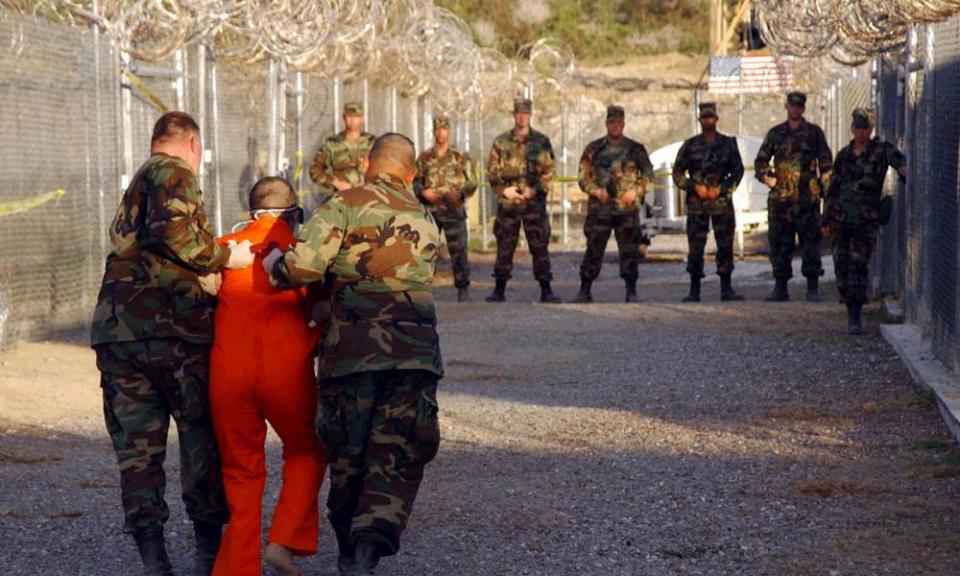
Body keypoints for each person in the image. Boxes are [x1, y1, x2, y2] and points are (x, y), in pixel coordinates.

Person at [264, 133, 443, 576]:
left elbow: (303, 266)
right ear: (412, 173)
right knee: (396, 454)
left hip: (353, 355)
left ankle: (350, 551)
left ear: (367, 164)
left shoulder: (343, 205)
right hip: (413, 355)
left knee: (349, 453)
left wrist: (274, 267)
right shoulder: (426, 217)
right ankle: (365, 554)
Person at [90, 111, 255, 576]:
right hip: (174, 331)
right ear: (193, 143)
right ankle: (207, 552)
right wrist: (226, 258)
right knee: (201, 439)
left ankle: (154, 558)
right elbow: (175, 233)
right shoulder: (173, 171)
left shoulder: (140, 180)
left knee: (138, 452)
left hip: (120, 332)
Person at [209, 177, 326, 576]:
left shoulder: (224, 249)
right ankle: (284, 540)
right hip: (286, 373)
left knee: (241, 470)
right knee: (306, 449)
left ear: (250, 214)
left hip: (228, 374)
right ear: (294, 214)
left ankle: (237, 567)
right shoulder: (301, 254)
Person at [821, 108, 907, 334]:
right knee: (841, 267)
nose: (862, 132)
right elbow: (833, 189)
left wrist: (903, 168)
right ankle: (848, 302)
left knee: (858, 266)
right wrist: (826, 218)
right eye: (858, 128)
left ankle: (855, 316)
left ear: (871, 129)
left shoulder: (880, 150)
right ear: (852, 129)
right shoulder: (843, 155)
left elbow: (898, 160)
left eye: (866, 128)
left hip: (865, 221)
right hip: (841, 220)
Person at [754, 91, 833, 302]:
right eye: (792, 105)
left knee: (811, 243)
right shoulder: (775, 133)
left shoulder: (814, 133)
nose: (795, 109)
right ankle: (780, 287)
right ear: (786, 106)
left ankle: (813, 287)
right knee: (780, 243)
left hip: (807, 198)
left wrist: (825, 191)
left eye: (799, 106)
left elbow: (826, 164)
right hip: (781, 199)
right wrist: (766, 177)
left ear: (803, 109)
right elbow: (760, 162)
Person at [572, 104, 654, 303]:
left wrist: (635, 191)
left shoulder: (636, 149)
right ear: (606, 124)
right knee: (593, 248)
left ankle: (631, 291)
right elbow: (583, 178)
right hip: (600, 210)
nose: (615, 126)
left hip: (626, 210)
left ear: (623, 124)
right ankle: (585, 289)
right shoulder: (593, 149)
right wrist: (596, 191)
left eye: (618, 122)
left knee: (629, 250)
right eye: (611, 122)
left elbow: (649, 177)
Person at [485, 97, 561, 303]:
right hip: (509, 204)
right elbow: (493, 173)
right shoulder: (501, 142)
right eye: (519, 113)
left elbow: (549, 171)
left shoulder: (541, 142)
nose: (522, 117)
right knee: (505, 246)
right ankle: (499, 289)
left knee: (539, 246)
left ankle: (546, 288)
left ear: (530, 115)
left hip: (533, 204)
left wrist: (534, 190)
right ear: (514, 115)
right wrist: (503, 190)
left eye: (525, 113)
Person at [672, 102, 746, 302]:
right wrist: (694, 187)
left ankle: (726, 288)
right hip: (697, 204)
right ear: (700, 119)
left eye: (711, 117)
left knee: (725, 245)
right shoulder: (690, 145)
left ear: (716, 118)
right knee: (695, 246)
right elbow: (677, 174)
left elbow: (738, 171)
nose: (708, 120)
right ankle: (694, 289)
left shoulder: (728, 144)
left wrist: (721, 189)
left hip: (721, 203)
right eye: (705, 117)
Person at [414, 115, 478, 302]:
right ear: (433, 131)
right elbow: (415, 180)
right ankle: (423, 289)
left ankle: (462, 288)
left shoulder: (460, 157)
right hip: (431, 211)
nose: (440, 132)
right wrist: (423, 193)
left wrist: (460, 194)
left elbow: (472, 181)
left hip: (453, 211)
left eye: (443, 129)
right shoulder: (425, 157)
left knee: (458, 251)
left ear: (449, 132)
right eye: (437, 129)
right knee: (425, 251)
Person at [308, 102, 376, 209]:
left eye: (356, 116)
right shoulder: (333, 144)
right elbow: (315, 169)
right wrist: (336, 183)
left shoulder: (372, 142)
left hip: (367, 199)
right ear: (344, 118)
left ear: (363, 119)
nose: (352, 120)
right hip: (342, 199)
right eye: (349, 116)